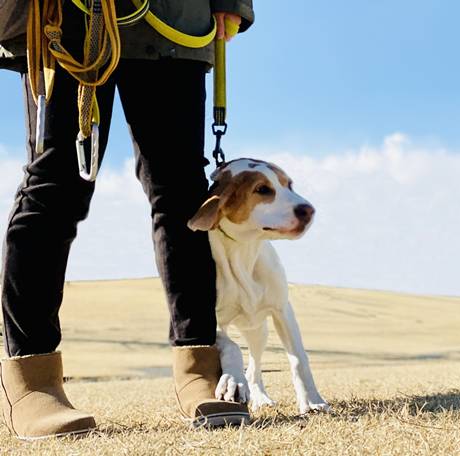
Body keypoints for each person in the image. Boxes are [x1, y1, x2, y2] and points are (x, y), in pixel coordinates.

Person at [0, 0, 253, 439]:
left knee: (183, 195)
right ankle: (32, 378)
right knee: (56, 185)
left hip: (174, 17)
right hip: (64, 17)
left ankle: (198, 366)